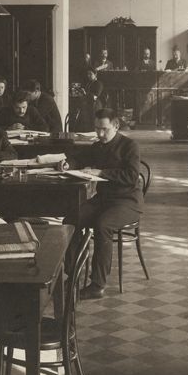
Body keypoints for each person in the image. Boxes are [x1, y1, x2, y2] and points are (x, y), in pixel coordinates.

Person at [59, 108, 143, 300]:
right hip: (104, 200)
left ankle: (97, 285)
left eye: (104, 129)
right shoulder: (97, 146)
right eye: (97, 128)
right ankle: (72, 274)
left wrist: (101, 172)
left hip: (128, 200)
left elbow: (131, 176)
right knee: (70, 220)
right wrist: (68, 164)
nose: (99, 133)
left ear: (116, 126)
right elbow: (79, 158)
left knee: (103, 224)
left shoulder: (129, 146)